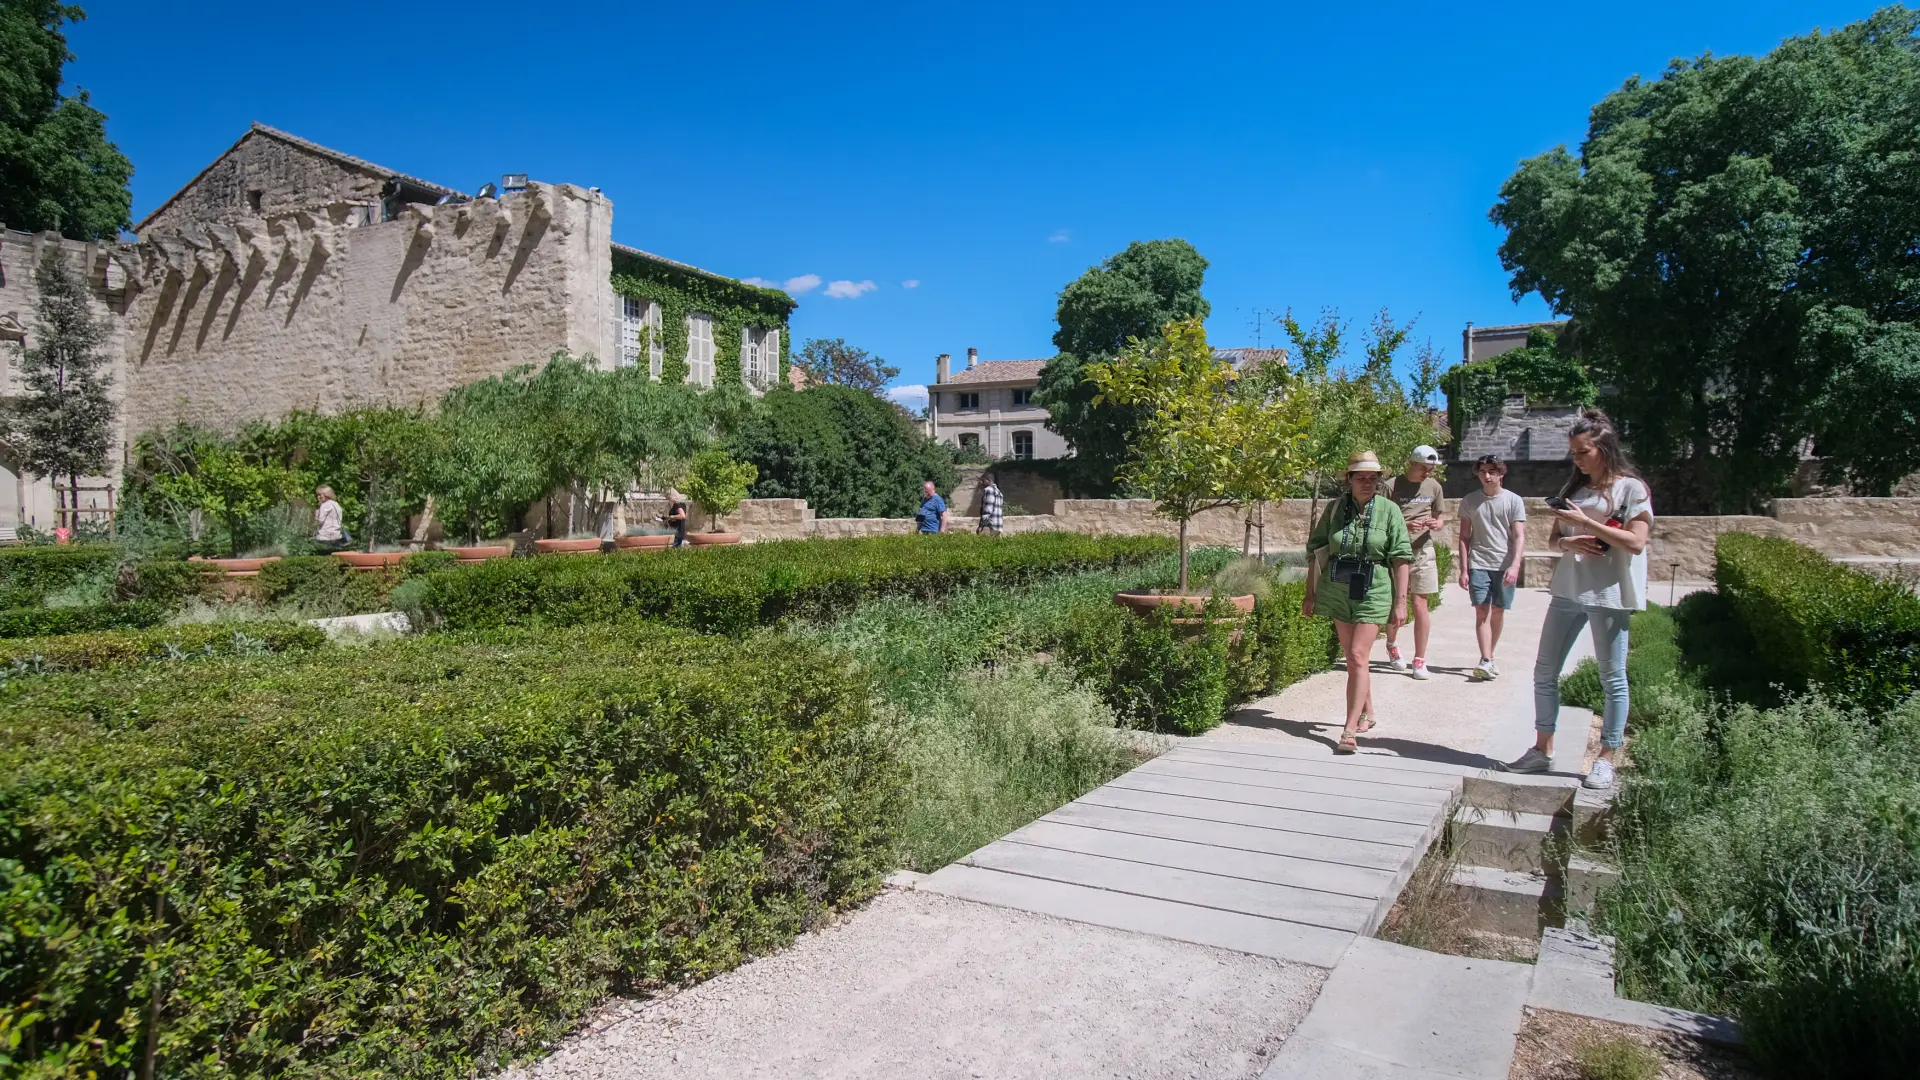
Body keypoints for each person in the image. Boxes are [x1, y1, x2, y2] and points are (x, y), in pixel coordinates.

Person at [1500, 410, 1653, 790]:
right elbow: (1555, 540)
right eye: (1574, 453)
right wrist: (1569, 540)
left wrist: (1588, 524)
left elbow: (1636, 542)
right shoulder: (1575, 489)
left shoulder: (1632, 489)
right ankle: (1541, 749)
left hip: (1609, 593)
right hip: (1568, 589)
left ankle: (1606, 758)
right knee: (1545, 670)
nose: (1577, 460)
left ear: (1603, 448)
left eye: (1583, 452)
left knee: (1611, 677)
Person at [1304, 450, 1413, 755]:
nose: (1368, 482)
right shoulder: (1335, 509)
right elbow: (1316, 550)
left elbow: (1401, 557)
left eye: (1373, 478)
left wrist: (1400, 602)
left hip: (1374, 587)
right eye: (1361, 477)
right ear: (1349, 479)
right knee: (1355, 659)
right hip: (1338, 587)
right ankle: (1368, 712)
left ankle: (1349, 729)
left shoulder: (1390, 511)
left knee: (1356, 654)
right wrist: (1309, 594)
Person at [1455, 455, 1527, 681]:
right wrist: (1464, 569)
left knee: (1498, 611)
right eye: (1483, 471)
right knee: (1481, 610)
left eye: (1492, 471)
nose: (1487, 476)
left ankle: (1490, 657)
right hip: (1479, 563)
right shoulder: (1469, 501)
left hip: (1504, 564)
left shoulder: (1514, 501)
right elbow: (1464, 537)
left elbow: (1519, 535)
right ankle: (1485, 659)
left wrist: (1515, 565)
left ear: (1501, 473)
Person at [1385, 445, 1446, 680]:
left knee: (1421, 603)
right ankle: (1391, 643)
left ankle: (1419, 659)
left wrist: (1435, 524)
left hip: (1423, 549)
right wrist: (1404, 525)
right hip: (1396, 552)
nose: (1427, 473)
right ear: (1411, 464)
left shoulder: (1434, 487)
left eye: (1430, 469)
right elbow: (1381, 518)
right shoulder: (1391, 486)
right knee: (1395, 602)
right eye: (1423, 468)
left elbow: (1440, 518)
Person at [313, 485, 349, 552]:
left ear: (326, 494)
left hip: (325, 537)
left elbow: (320, 522)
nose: (318, 497)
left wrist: (316, 515)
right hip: (336, 536)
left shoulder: (325, 505)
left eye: (320, 495)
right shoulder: (336, 504)